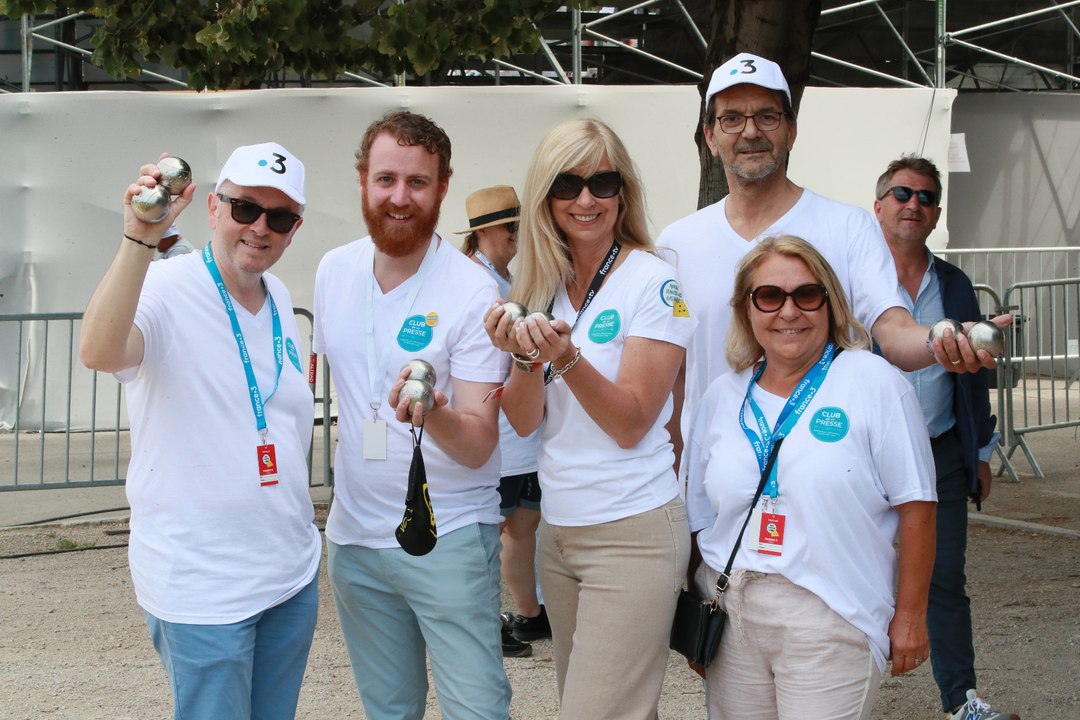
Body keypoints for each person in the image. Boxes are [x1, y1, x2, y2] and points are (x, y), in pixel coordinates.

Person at [658, 51, 1003, 467]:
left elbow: (893, 332)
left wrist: (939, 341)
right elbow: (676, 377)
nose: (750, 132)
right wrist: (676, 478)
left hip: (829, 471)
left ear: (791, 130)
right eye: (731, 118)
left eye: (767, 116)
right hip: (718, 473)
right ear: (711, 138)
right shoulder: (676, 243)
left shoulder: (848, 227)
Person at [79, 142, 320, 720]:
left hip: (288, 575)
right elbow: (98, 350)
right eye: (245, 209)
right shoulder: (165, 285)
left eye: (280, 218)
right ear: (213, 207)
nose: (260, 229)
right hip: (203, 587)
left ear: (294, 229)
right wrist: (140, 235)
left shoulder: (279, 297)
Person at [484, 117, 697, 719]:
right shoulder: (542, 285)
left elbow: (631, 421)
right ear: (545, 196)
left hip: (631, 531)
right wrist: (525, 355)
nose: (585, 199)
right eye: (568, 183)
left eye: (602, 182)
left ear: (623, 191)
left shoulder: (653, 281)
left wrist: (566, 356)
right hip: (561, 533)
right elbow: (525, 423)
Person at [684, 234, 937, 719]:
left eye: (806, 294)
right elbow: (701, 515)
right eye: (769, 296)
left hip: (830, 613)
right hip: (732, 610)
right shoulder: (722, 395)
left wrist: (910, 616)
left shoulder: (873, 381)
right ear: (745, 309)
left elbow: (918, 507)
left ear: (829, 302)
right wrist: (698, 613)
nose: (789, 311)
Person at [314, 111, 512, 720]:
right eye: (386, 180)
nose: (400, 198)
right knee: (389, 710)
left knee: (475, 710)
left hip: (447, 534)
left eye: (418, 183)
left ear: (443, 187)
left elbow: (479, 445)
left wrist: (435, 416)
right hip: (354, 539)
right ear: (362, 180)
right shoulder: (333, 270)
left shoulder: (474, 292)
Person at [875, 156, 1019, 720]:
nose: (915, 204)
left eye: (927, 197)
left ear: (936, 214)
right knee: (846, 569)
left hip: (939, 451)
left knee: (946, 577)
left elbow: (975, 372)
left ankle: (962, 703)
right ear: (879, 203)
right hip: (858, 452)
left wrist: (980, 450)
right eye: (903, 193)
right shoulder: (850, 277)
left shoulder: (954, 283)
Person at [457, 185, 550, 658]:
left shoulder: (502, 278)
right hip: (497, 429)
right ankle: (485, 621)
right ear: (486, 232)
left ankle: (528, 612)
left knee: (523, 520)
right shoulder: (474, 282)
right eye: (513, 228)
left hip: (520, 429)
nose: (519, 236)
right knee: (491, 527)